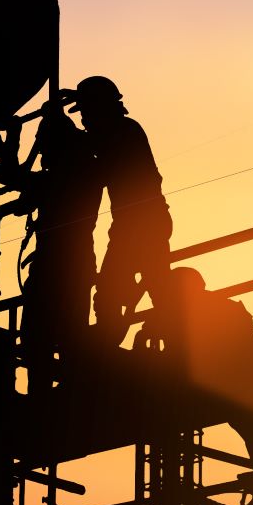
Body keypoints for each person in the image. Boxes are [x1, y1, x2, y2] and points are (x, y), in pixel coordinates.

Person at [65, 75, 172, 347]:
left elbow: (97, 166)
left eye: (86, 112)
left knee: (116, 293)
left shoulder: (123, 133)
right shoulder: (121, 132)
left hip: (140, 225)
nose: (83, 120)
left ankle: (107, 349)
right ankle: (170, 340)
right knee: (152, 286)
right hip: (139, 223)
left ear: (100, 108)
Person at [138, 266, 253, 472]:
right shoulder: (217, 308)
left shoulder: (194, 312)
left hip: (218, 385)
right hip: (231, 385)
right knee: (244, 422)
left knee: (242, 419)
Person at [20, 97, 102, 384]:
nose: (42, 154)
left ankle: (42, 397)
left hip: (51, 267)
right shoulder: (89, 171)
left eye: (45, 148)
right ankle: (68, 390)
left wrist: (15, 139)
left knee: (37, 339)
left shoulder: (54, 178)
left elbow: (21, 201)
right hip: (78, 264)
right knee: (71, 336)